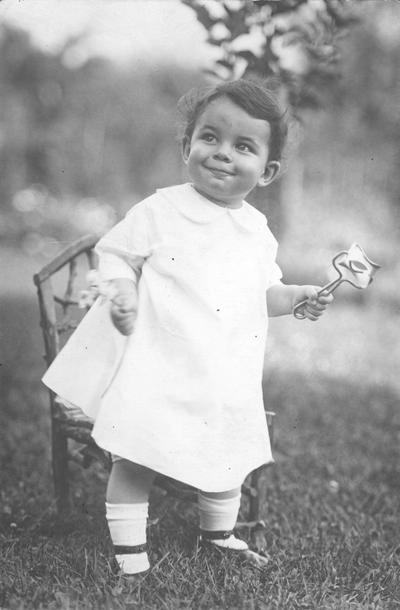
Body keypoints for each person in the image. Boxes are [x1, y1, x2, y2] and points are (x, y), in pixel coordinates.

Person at [43, 78, 333, 575]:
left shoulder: (256, 232)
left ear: (268, 172)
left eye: (243, 146)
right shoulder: (161, 211)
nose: (222, 153)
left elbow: (264, 295)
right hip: (159, 366)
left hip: (222, 374)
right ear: (186, 147)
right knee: (137, 454)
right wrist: (125, 291)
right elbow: (115, 257)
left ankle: (218, 534)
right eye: (210, 138)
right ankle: (131, 552)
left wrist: (297, 296)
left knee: (227, 453)